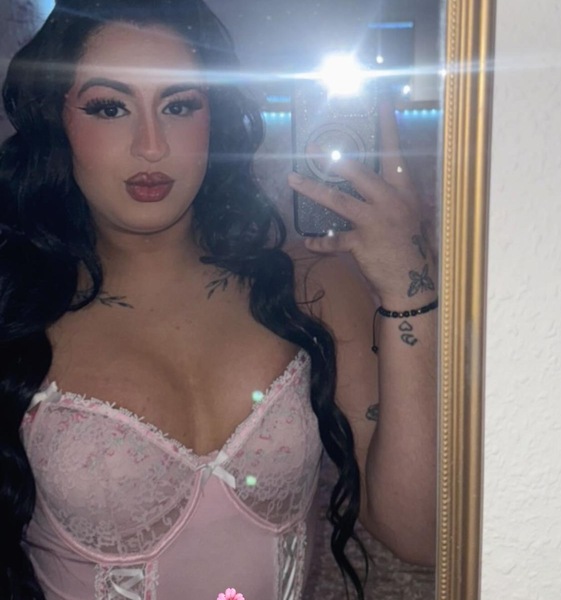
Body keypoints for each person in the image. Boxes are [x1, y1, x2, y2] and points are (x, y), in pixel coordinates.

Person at [0, 0, 437, 598]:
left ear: (216, 116)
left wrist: (407, 282)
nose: (151, 146)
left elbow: (418, 533)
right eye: (110, 107)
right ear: (56, 118)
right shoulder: (17, 309)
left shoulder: (313, 288)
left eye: (180, 105)